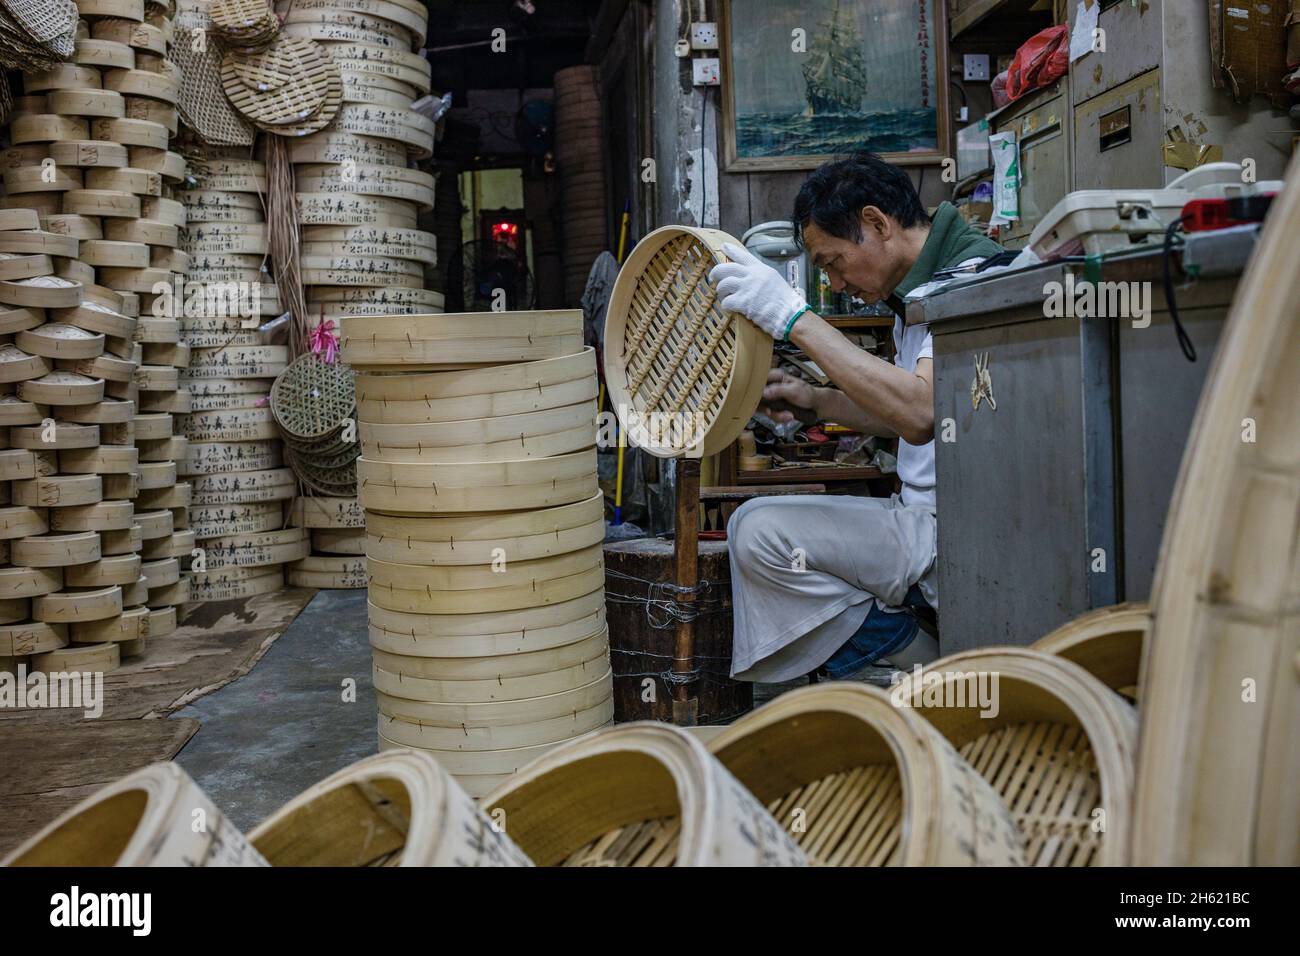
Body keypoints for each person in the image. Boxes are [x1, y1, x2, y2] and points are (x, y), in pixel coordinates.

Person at [707, 152, 1003, 683]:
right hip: (922, 515)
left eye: (834, 262)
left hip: (961, 530)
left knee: (758, 531)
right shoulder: (910, 292)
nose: (838, 284)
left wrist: (793, 319)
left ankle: (915, 654)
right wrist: (816, 401)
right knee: (756, 530)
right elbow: (904, 417)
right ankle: (901, 654)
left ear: (876, 223)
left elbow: (918, 412)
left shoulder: (969, 274)